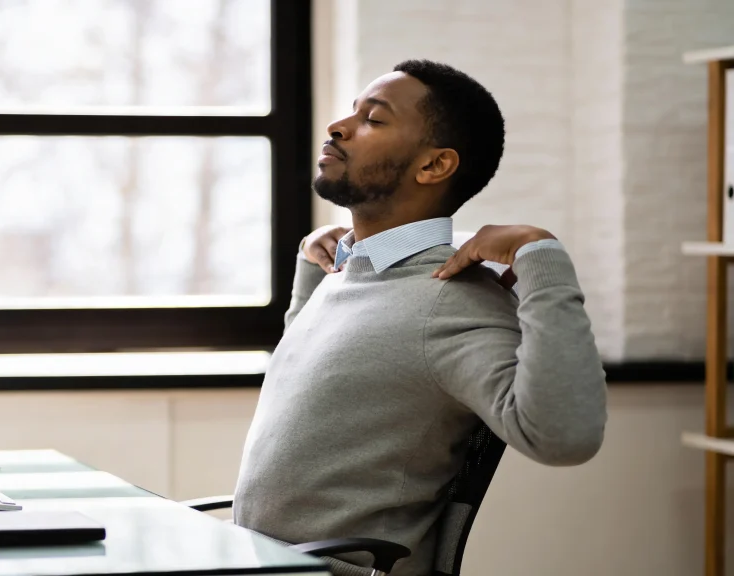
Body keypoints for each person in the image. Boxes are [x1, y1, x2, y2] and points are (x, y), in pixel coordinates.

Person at [233, 60, 607, 576]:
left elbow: (564, 437)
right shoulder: (349, 275)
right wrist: (315, 265)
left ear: (433, 167)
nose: (338, 127)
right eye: (351, 112)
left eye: (374, 119)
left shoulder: (452, 304)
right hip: (256, 562)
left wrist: (539, 255)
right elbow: (308, 385)